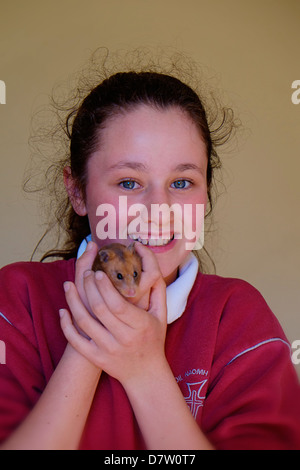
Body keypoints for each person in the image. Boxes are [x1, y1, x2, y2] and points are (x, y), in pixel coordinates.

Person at [0, 63, 300, 450]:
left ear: (205, 193)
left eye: (181, 182)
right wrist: (92, 339)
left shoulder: (241, 320)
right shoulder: (16, 301)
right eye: (129, 182)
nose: (159, 208)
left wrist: (145, 372)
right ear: (77, 191)